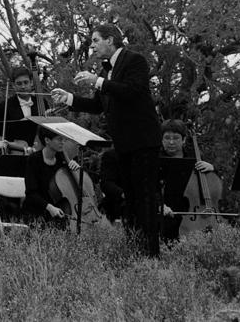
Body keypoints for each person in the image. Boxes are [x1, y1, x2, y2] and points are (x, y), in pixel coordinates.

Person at [52, 24, 162, 257]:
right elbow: (97, 105)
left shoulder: (135, 60)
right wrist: (69, 98)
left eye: (95, 40)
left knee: (145, 199)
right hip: (123, 144)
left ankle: (151, 255)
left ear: (110, 40)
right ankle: (135, 252)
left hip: (143, 141)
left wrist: (97, 81)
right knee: (130, 200)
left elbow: (132, 91)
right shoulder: (105, 71)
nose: (91, 45)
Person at [159, 119, 218, 240]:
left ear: (184, 140)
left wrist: (213, 169)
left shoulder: (195, 161)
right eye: (167, 138)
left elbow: (214, 191)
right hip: (164, 216)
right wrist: (159, 205)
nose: (171, 142)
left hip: (192, 219)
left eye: (176, 138)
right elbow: (148, 188)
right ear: (161, 139)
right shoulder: (155, 161)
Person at [23, 128, 81, 225]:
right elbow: (31, 193)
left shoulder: (62, 160)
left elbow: (74, 188)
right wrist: (49, 207)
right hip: (37, 208)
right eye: (59, 139)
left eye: (63, 139)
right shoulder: (33, 160)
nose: (62, 142)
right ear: (47, 140)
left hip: (59, 208)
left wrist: (76, 170)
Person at [0, 67, 48, 148]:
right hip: (15, 152)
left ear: (31, 82)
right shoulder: (2, 107)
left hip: (40, 150)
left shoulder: (42, 102)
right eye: (19, 83)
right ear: (13, 85)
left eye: (26, 82)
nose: (23, 87)